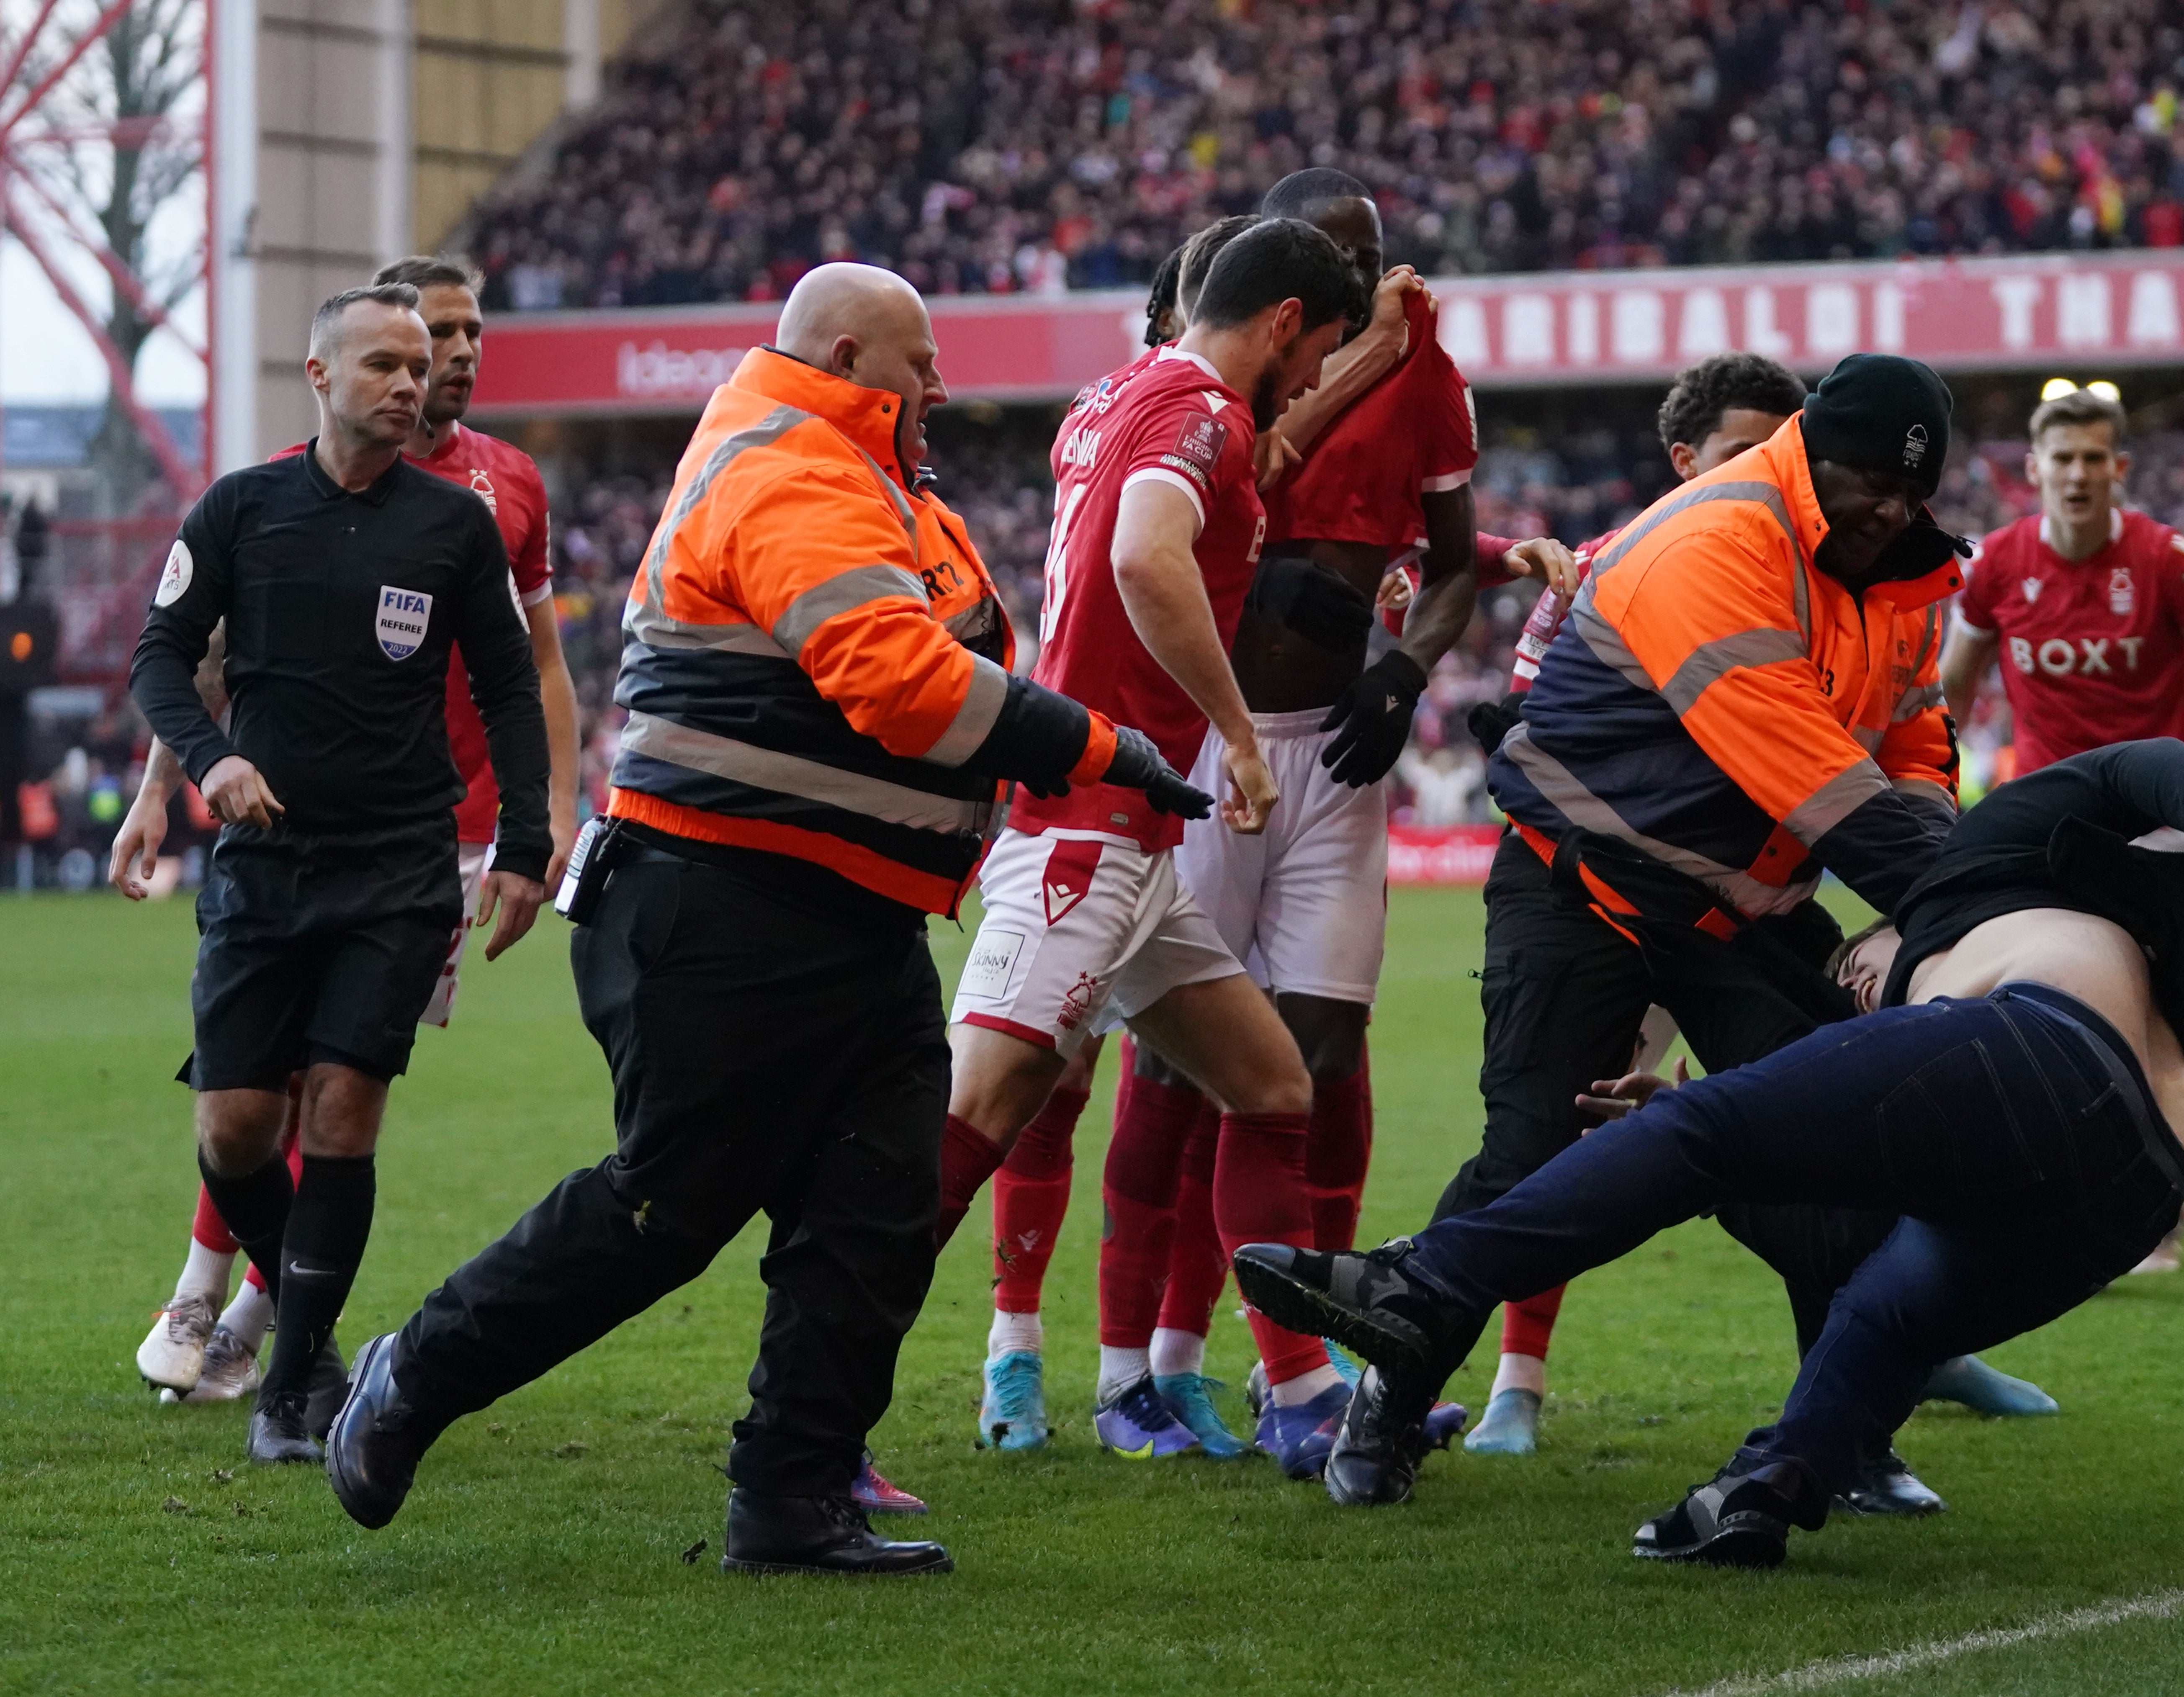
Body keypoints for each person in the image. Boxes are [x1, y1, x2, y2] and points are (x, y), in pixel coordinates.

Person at [323, 263, 1208, 1572]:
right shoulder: (791, 464)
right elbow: (903, 680)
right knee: (672, 1206)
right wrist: (1101, 748)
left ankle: (792, 1492)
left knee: (879, 1193)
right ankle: (413, 1370)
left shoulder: (854, 467)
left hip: (834, 915)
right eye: (920, 364)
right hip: (719, 905)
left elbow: (953, 662)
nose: (942, 387)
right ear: (848, 355)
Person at [1232, 737, 2184, 1567]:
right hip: (2134, 1187)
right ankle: (1766, 1486)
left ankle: (1421, 1281)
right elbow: (1808, 1156)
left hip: (2051, 1051)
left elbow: (2137, 765)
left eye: (1860, 977)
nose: (1859, 997)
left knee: (1698, 1128)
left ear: (1876, 931)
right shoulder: (1996, 965)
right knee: (1885, 1309)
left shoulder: (1985, 860)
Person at [1322, 354, 2037, 1511]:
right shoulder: (1712, 543)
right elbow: (1818, 786)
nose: (1887, 510)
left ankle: (1839, 1430)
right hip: (1581, 883)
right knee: (1529, 1154)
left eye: (1910, 495)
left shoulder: (1896, 572)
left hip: (1738, 907)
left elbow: (1909, 738)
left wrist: (1930, 889)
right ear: (1809, 452)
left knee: (1847, 1143)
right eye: (1864, 479)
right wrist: (1968, 909)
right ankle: (1388, 1402)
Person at [934, 219, 1363, 1475]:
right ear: (1284, 321)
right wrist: (1234, 733)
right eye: (1320, 352)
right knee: (977, 1118)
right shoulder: (1209, 414)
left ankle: (1298, 1390)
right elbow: (1141, 552)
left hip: (1125, 829)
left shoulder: (1113, 391)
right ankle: (814, 1384)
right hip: (1083, 828)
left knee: (1271, 1083)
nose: (1313, 385)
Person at [122, 254, 579, 1415]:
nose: (411, 383)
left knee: (340, 1109)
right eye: (387, 362)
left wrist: (526, 840)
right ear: (319, 373)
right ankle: (298, 1333)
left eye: (420, 367)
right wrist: (203, 764)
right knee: (234, 1126)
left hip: (399, 865)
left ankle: (292, 1376)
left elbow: (517, 686)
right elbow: (165, 657)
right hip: (264, 869)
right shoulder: (240, 505)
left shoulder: (461, 524)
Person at [1082, 168, 1482, 1469]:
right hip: (1214, 746)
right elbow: (1244, 465)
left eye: (1374, 266)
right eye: (1335, 272)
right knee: (1173, 1066)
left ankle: (1288, 1378)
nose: (1364, 289)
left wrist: (1407, 666)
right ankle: (1133, 1364)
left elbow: (1455, 554)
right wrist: (1363, 348)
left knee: (1309, 1059)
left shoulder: (1424, 367)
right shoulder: (1221, 371)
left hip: (1336, 757)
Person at [1944, 387, 2184, 1273]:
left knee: (2154, 1030)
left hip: (2164, 823)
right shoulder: (1995, 569)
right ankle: (2044, 1189)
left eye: (2094, 459)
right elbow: (1951, 692)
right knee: (2033, 1005)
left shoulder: (2168, 560)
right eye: (2061, 459)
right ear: (2033, 470)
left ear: (2118, 470)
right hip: (2050, 827)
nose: (2077, 474)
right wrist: (1931, 785)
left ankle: (2155, 1205)